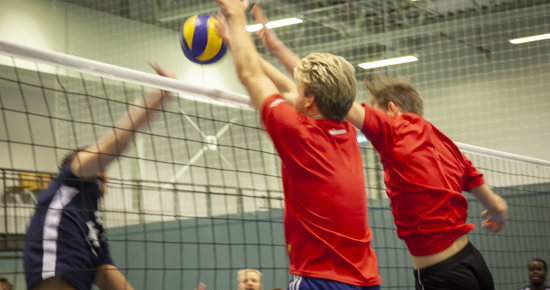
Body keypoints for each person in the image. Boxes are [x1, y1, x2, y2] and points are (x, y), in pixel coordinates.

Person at [249, 3, 508, 290]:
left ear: (392, 110)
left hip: (443, 274)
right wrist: (497, 214)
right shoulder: (443, 142)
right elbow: (496, 204)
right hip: (473, 261)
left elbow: (329, 91)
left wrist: (272, 47)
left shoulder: (393, 131)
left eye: (375, 111)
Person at [213, 0, 381, 289]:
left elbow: (249, 75)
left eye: (302, 88)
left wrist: (237, 16)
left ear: (310, 100)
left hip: (321, 280)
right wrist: (238, 42)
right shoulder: (347, 133)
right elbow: (290, 90)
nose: (295, 89)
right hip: (367, 281)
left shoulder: (299, 134)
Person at [23, 63, 176, 290]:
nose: (106, 174)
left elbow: (107, 274)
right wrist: (159, 96)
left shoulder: (92, 226)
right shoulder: (71, 177)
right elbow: (117, 142)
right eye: (100, 168)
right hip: (54, 278)